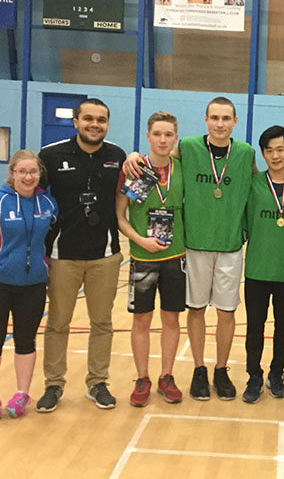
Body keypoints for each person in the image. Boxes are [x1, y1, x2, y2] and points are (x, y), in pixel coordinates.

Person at [123, 97, 284, 401]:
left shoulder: (244, 153)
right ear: (205, 119)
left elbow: (264, 179)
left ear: (234, 122)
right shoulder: (189, 147)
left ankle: (221, 369)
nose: (220, 123)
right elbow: (160, 155)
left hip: (231, 246)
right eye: (215, 118)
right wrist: (134, 155)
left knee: (226, 312)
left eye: (226, 118)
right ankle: (198, 369)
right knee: (195, 310)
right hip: (194, 246)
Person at [36, 98, 127, 412]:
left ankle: (97, 382)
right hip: (62, 255)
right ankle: (53, 384)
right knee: (58, 323)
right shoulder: (50, 155)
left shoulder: (117, 156)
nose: (94, 124)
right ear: (75, 121)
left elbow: (126, 197)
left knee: (101, 323)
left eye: (101, 120)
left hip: (105, 255)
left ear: (107, 124)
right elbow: (26, 190)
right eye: (88, 118)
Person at [0, 150, 58, 420]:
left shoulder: (48, 204)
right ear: (12, 173)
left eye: (33, 172)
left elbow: (51, 236)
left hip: (33, 285)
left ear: (39, 174)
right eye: (22, 172)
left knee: (26, 341)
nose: (28, 177)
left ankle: (21, 395)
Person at [116, 111, 185, 406]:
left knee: (171, 319)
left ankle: (166, 376)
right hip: (142, 258)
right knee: (142, 321)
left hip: (176, 256)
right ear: (148, 136)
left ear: (175, 138)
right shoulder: (136, 170)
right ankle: (142, 377)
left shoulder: (182, 167)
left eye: (168, 135)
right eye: (157, 134)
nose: (163, 139)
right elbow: (120, 216)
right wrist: (140, 240)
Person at [242, 126, 284, 403]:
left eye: (280, 149)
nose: (275, 155)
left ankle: (276, 372)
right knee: (255, 326)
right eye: (269, 150)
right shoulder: (253, 183)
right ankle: (254, 375)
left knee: (283, 326)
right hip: (257, 269)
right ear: (263, 154)